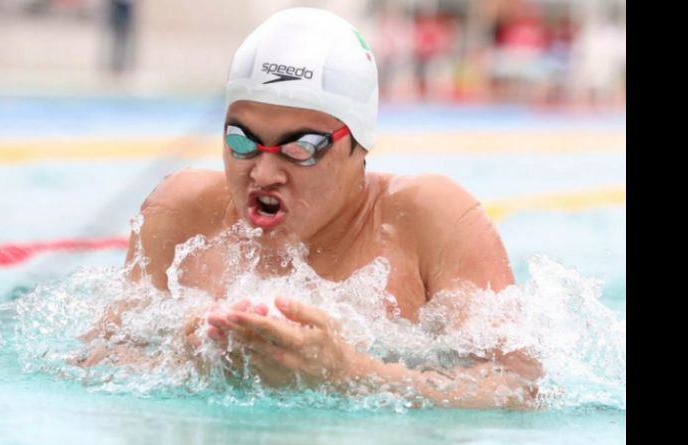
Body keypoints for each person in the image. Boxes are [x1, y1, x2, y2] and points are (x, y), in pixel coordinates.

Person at [82, 8, 542, 409]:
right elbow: (91, 358)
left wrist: (350, 373)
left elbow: (517, 386)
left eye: (300, 147)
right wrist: (180, 364)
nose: (262, 173)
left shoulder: (429, 220)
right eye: (241, 140)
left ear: (359, 145)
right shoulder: (181, 212)